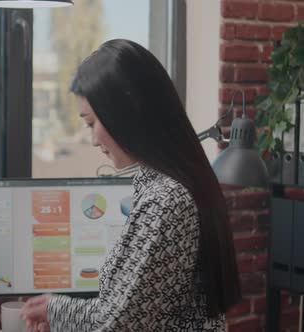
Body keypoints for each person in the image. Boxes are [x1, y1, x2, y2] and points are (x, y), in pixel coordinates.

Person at [19, 39, 240, 331]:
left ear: (125, 115)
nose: (93, 139)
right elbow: (130, 307)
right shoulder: (171, 184)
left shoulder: (166, 200)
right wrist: (56, 310)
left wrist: (56, 309)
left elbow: (118, 324)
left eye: (90, 123)